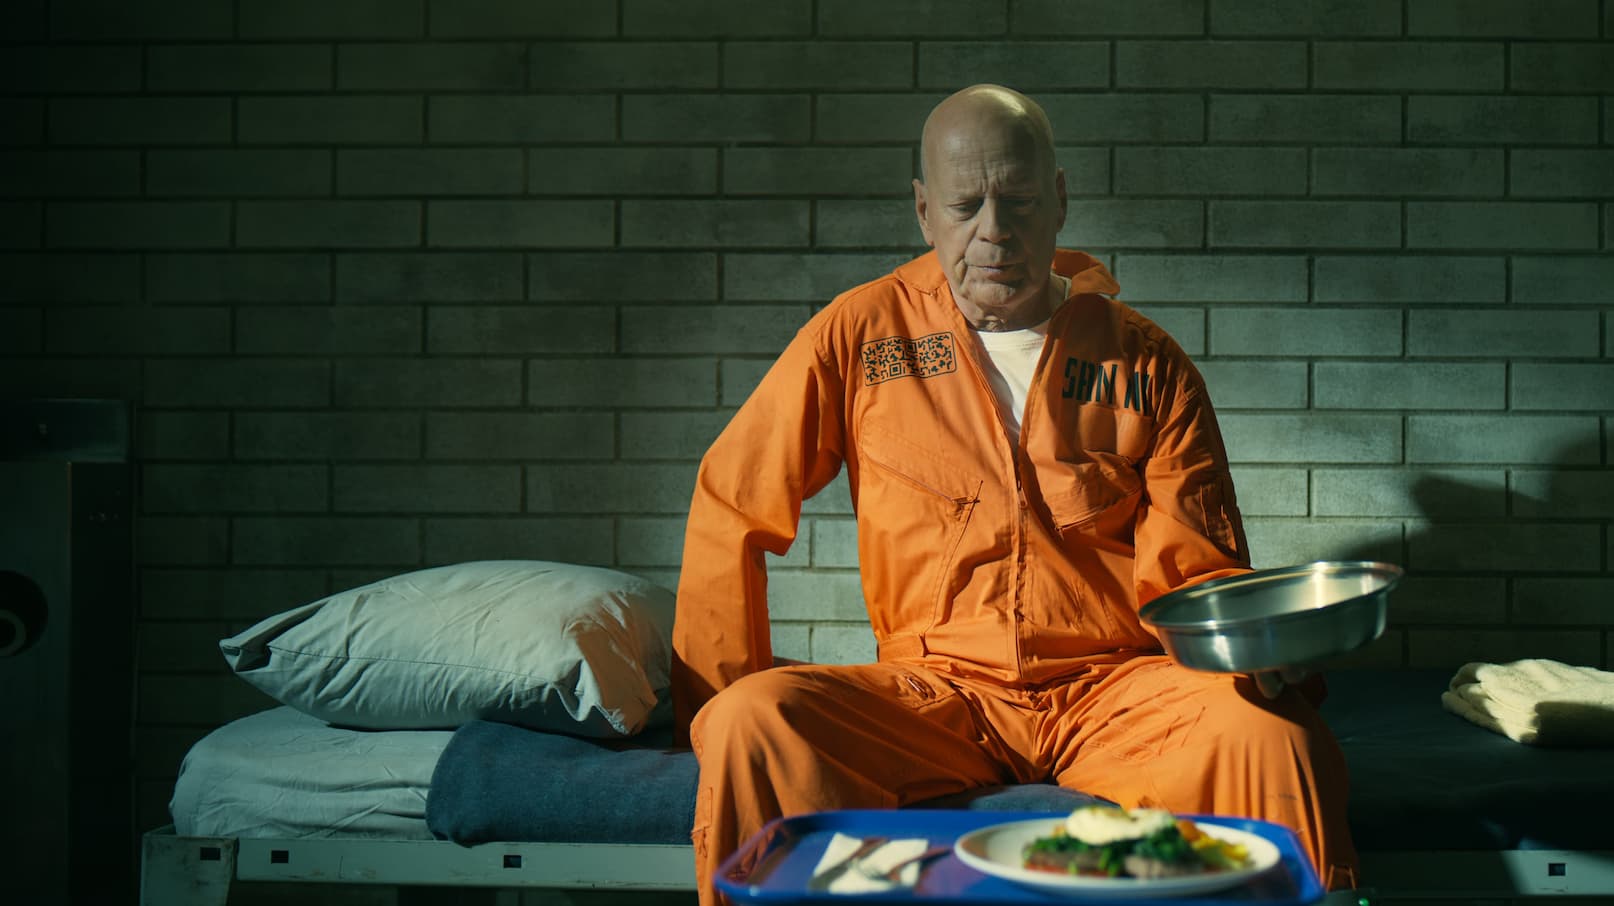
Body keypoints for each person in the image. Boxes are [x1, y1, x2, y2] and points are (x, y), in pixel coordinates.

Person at [670, 84, 1357, 903]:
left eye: (1020, 201)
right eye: (965, 206)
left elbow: (1196, 573)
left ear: (1059, 200)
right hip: (936, 694)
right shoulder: (861, 338)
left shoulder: (1145, 362)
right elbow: (734, 501)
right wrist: (704, 709)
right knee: (753, 719)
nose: (994, 230)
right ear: (924, 212)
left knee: (1272, 740)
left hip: (1116, 690)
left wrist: (1256, 657)